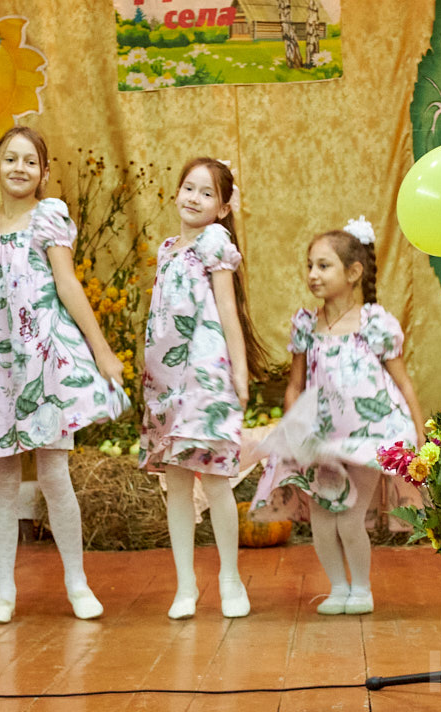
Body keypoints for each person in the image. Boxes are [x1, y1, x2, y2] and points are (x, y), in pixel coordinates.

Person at [0, 126, 128, 624]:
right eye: (10, 158)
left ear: (44, 173)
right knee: (3, 480)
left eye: (30, 161)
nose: (20, 168)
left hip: (42, 362)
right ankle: (4, 593)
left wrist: (102, 352)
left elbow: (67, 284)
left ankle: (78, 582)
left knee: (53, 472)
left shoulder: (48, 218)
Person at [248, 216, 425, 615]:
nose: (313, 274)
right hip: (322, 438)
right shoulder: (306, 325)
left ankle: (361, 589)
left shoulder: (375, 323)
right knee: (323, 518)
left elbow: (403, 383)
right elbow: (295, 385)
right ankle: (338, 588)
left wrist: (418, 434)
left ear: (353, 272)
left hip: (370, 433)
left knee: (349, 516)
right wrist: (293, 430)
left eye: (323, 266)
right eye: (310, 265)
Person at [140, 158, 269, 620]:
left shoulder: (214, 241)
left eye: (207, 193)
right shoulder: (167, 249)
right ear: (176, 192)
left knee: (214, 479)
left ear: (223, 207)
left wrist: (240, 371)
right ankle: (185, 585)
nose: (194, 198)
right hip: (165, 380)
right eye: (189, 188)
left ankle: (230, 578)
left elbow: (228, 310)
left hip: (205, 376)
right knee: (176, 483)